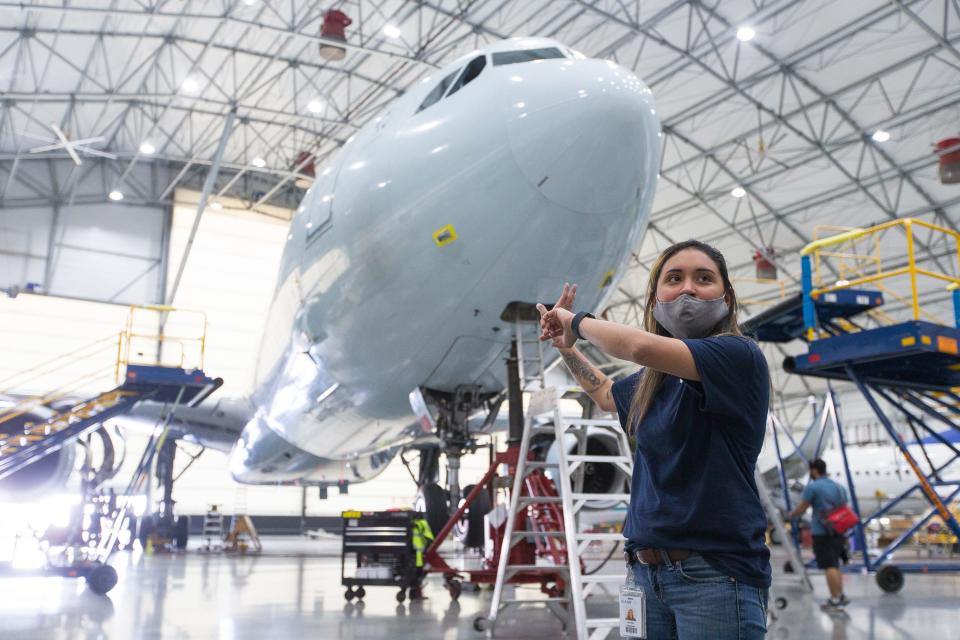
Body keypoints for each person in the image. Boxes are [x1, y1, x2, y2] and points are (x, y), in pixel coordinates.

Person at [537, 240, 771, 639]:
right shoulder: (653, 382)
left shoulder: (737, 355)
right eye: (674, 278)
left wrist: (575, 321)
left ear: (727, 298)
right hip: (645, 574)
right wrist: (566, 349)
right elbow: (607, 395)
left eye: (704, 278)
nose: (688, 289)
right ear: (655, 300)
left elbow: (639, 346)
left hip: (714, 575)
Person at [788, 458, 851, 611]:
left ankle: (835, 600)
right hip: (838, 531)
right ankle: (840, 596)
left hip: (822, 532)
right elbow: (845, 508)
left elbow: (803, 508)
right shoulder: (839, 487)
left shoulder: (813, 487)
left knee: (828, 566)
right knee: (835, 564)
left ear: (814, 470)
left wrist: (791, 515)